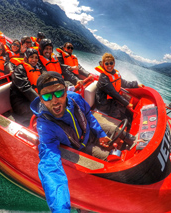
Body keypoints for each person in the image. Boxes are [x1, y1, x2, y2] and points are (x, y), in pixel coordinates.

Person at [30, 71, 112, 212]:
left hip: (90, 134)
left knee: (114, 130)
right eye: (47, 96)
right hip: (81, 150)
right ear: (41, 99)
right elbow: (50, 165)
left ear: (66, 91)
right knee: (110, 163)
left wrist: (100, 134)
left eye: (59, 93)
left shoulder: (75, 98)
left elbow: (88, 114)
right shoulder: (45, 126)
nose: (55, 100)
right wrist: (61, 210)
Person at [95, 53, 144, 121]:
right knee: (124, 116)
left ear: (114, 63)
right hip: (104, 104)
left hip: (112, 100)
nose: (109, 65)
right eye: (107, 63)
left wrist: (135, 84)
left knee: (128, 104)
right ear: (103, 64)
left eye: (111, 63)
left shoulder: (114, 73)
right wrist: (126, 104)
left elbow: (123, 82)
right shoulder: (103, 78)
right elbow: (113, 93)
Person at [10, 48, 45, 125]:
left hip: (32, 99)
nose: (34, 59)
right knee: (46, 113)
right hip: (20, 102)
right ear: (26, 58)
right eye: (31, 57)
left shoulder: (37, 68)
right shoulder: (20, 70)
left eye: (36, 57)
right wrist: (40, 101)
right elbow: (25, 87)